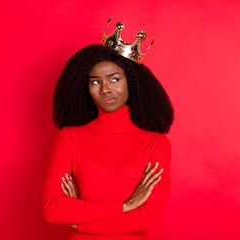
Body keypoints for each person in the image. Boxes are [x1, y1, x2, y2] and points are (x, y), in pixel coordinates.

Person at [41, 19, 174, 240]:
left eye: (114, 79)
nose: (105, 89)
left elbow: (149, 218)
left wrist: (78, 223)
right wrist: (126, 205)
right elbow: (52, 209)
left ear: (131, 82)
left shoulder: (155, 143)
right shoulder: (70, 138)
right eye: (95, 82)